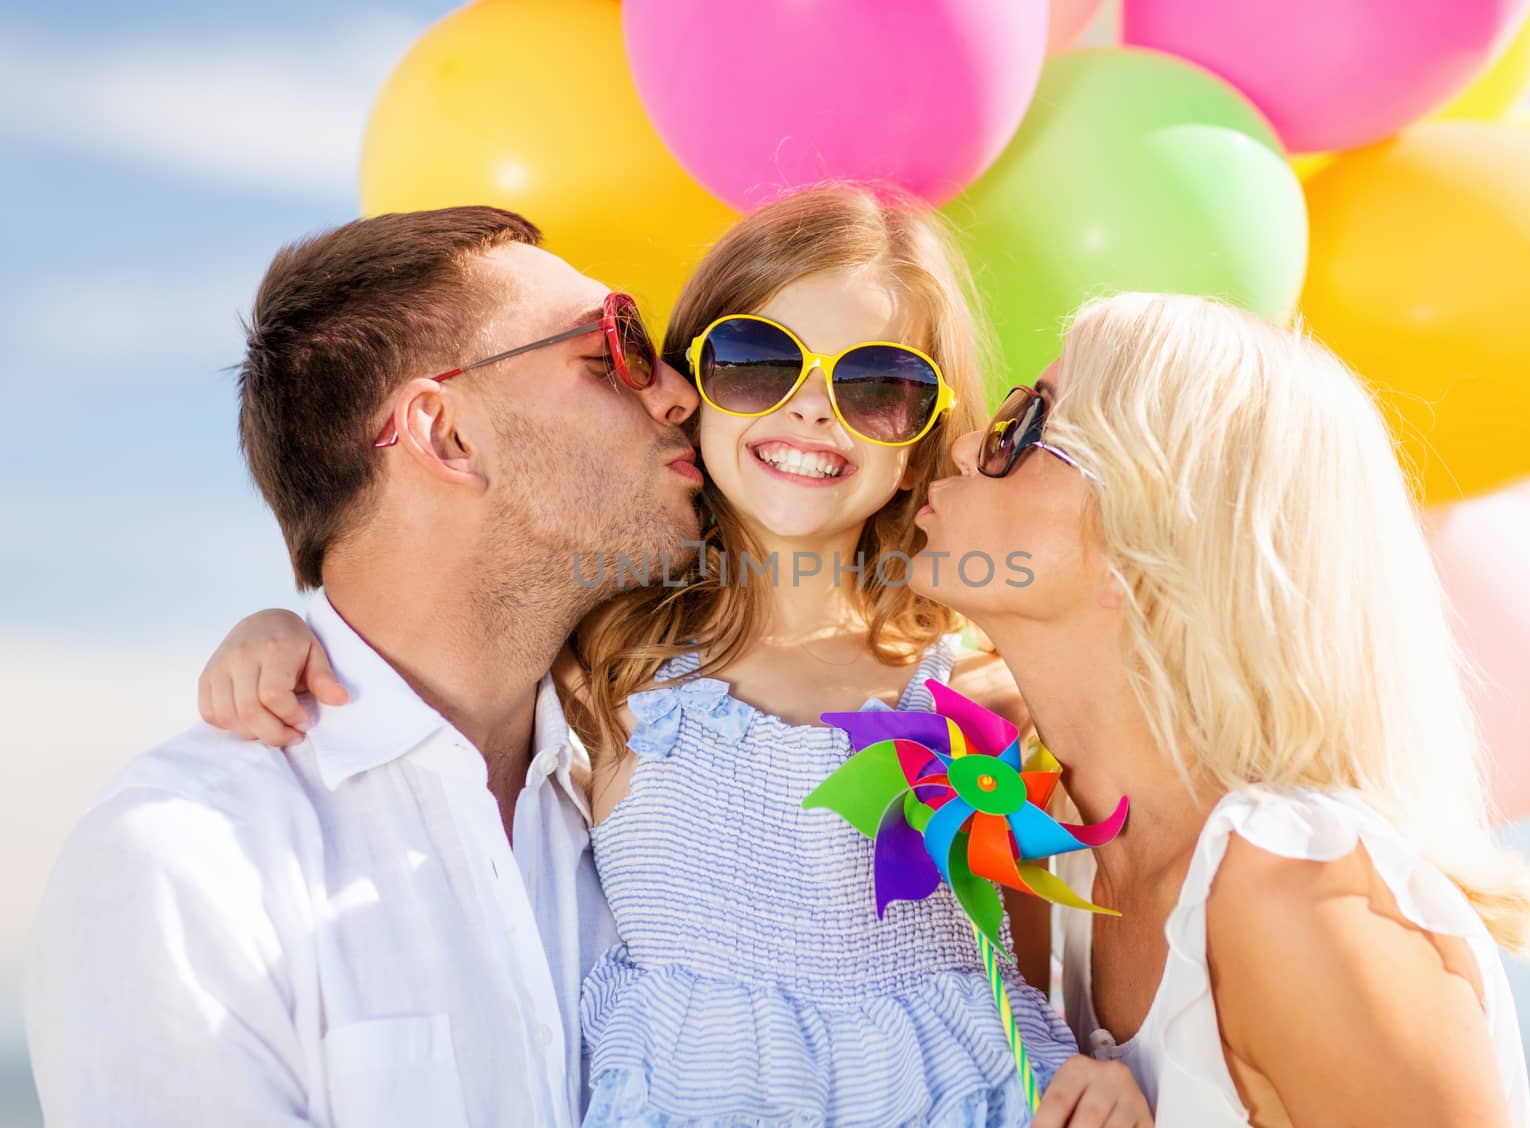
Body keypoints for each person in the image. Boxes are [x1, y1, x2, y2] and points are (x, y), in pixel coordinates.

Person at [190, 186, 1154, 1127]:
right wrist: (285, 629)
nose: (815, 409)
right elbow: (436, 623)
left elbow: (1032, 975)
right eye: (757, 361)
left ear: (926, 430)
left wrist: (1094, 1072)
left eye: (878, 386)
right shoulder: (607, 653)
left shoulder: (979, 682)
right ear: (688, 384)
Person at [24, 206, 708, 1126]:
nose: (677, 395)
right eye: (612, 354)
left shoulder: (657, 818)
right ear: (444, 434)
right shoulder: (184, 865)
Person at [912, 292, 1530, 1126]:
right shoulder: (1063, 836)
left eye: (1026, 426)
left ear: (1146, 542)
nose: (963, 444)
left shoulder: (1295, 890)